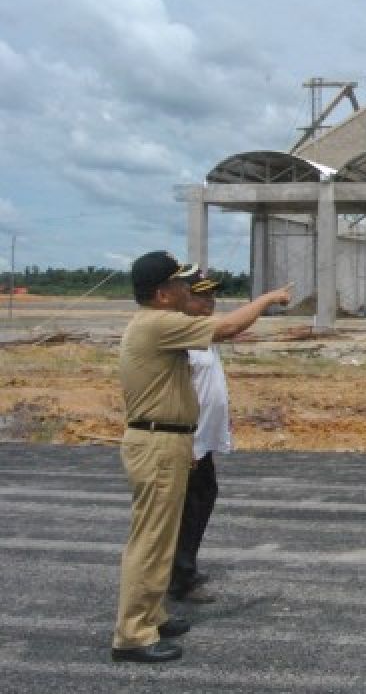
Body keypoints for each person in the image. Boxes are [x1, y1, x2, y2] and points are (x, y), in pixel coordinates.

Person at [112, 251, 291, 663]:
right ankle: (132, 634)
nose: (185, 289)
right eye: (178, 284)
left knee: (163, 538)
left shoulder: (157, 323)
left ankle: (152, 615)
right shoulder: (158, 323)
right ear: (162, 294)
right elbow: (227, 327)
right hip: (156, 442)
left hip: (168, 440)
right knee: (151, 541)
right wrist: (266, 299)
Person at [168, 270, 229, 605]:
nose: (209, 302)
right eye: (200, 296)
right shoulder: (178, 336)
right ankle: (179, 576)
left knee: (199, 500)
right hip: (188, 441)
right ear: (180, 297)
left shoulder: (200, 334)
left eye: (211, 296)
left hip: (200, 441)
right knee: (186, 507)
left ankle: (182, 568)